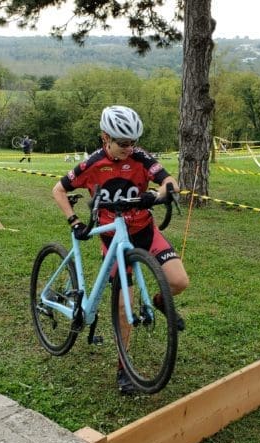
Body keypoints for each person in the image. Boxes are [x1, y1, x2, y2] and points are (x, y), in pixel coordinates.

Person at [52, 105, 190, 395]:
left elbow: (168, 180)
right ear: (106, 138)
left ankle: (160, 301)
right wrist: (73, 219)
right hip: (113, 239)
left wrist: (161, 193)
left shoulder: (140, 158)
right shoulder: (92, 164)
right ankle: (124, 369)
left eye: (133, 142)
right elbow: (58, 189)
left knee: (178, 282)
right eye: (123, 143)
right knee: (122, 307)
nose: (130, 148)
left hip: (145, 231)